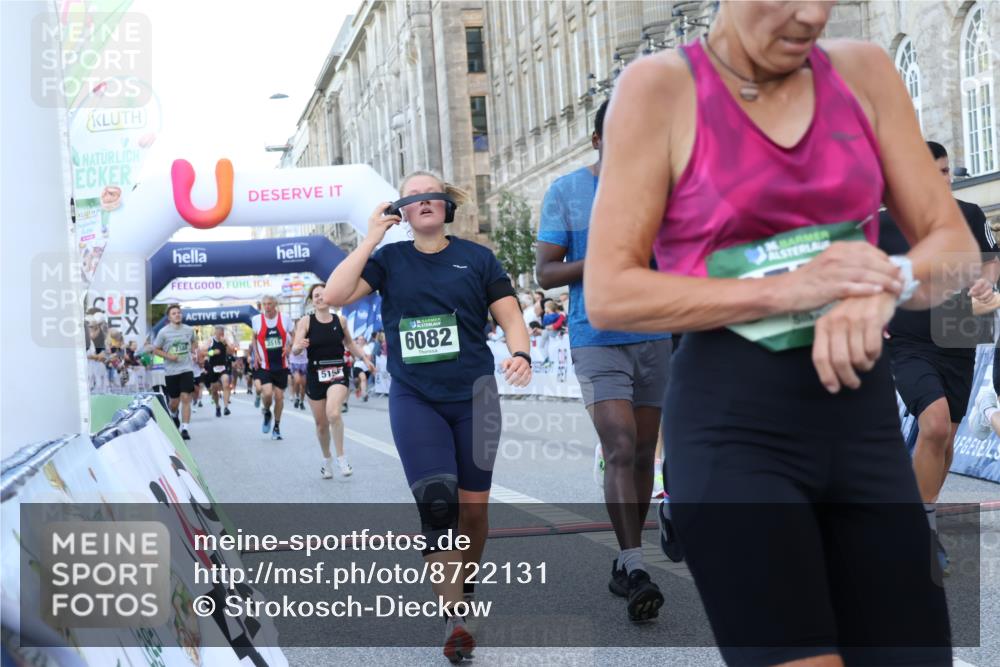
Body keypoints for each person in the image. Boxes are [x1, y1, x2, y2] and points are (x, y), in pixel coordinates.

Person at [585, 2, 979, 663]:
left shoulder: (864, 71)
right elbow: (610, 290)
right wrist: (786, 290)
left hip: (863, 434)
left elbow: (953, 248)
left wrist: (883, 281)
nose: (810, 15)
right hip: (734, 436)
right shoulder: (659, 88)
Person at [323, 170, 532, 662]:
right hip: (416, 398)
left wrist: (520, 353)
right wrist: (372, 236)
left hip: (476, 397)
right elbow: (333, 296)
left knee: (474, 511)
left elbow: (510, 315)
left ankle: (465, 580)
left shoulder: (477, 258)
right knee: (438, 504)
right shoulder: (390, 260)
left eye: (430, 192)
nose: (424, 200)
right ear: (403, 211)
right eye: (412, 196)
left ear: (446, 204)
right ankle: (455, 617)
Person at [536, 98, 672, 623]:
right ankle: (637, 565)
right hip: (595, 337)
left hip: (654, 334)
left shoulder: (661, 189)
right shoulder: (567, 192)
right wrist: (607, 260)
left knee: (642, 455)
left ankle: (625, 558)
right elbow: (546, 274)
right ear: (597, 141)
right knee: (617, 445)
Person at [879, 140, 999, 572]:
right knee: (932, 423)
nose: (943, 181)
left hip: (960, 331)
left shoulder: (968, 214)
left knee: (946, 436)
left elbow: (990, 262)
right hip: (907, 340)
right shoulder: (881, 225)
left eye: (947, 172)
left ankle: (920, 517)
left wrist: (986, 283)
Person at [292, 284, 373, 478]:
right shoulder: (306, 321)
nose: (320, 298)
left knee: (334, 413)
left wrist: (365, 359)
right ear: (312, 301)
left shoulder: (341, 320)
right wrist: (299, 346)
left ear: (328, 296)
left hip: (337, 371)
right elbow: (295, 347)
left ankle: (342, 458)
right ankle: (327, 459)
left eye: (322, 294)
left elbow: (350, 344)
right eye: (316, 296)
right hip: (315, 373)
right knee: (321, 425)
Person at [152, 304, 198, 440]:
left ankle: (185, 428)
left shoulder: (189, 330)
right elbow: (155, 349)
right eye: (174, 313)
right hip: (171, 372)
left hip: (186, 369)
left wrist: (194, 351)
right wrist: (169, 356)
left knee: (186, 398)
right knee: (174, 402)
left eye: (179, 313)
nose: (177, 315)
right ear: (169, 317)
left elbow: (194, 343)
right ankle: (173, 414)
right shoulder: (163, 332)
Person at [251, 295, 293, 440]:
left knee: (280, 397)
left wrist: (289, 347)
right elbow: (254, 337)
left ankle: (276, 426)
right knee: (267, 393)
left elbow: (294, 335)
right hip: (264, 365)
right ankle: (267, 411)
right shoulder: (257, 320)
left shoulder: (285, 318)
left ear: (275, 304)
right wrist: (256, 353)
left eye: (269, 304)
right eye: (264, 304)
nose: (267, 307)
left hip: (281, 365)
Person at [204, 325, 239, 417]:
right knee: (214, 389)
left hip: (224, 367)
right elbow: (202, 351)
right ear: (215, 332)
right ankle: (217, 406)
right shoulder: (210, 340)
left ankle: (226, 407)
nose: (221, 334)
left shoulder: (225, 340)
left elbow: (232, 351)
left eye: (222, 332)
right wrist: (212, 352)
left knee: (226, 383)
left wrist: (226, 344)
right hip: (212, 367)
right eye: (219, 332)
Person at [288, 328, 309, 410]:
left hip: (304, 362)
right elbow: (289, 348)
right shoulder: (293, 337)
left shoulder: (307, 337)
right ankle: (296, 396)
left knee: (303, 385)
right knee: (297, 380)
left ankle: (301, 401)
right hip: (294, 362)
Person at [351, 335, 375, 401]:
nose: (361, 340)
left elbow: (369, 357)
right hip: (357, 365)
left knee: (364, 380)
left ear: (364, 340)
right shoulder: (354, 347)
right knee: (361, 379)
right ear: (357, 340)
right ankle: (363, 394)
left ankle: (363, 393)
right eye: (359, 339)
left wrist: (364, 358)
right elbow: (352, 357)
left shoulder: (367, 347)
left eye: (362, 339)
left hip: (366, 366)